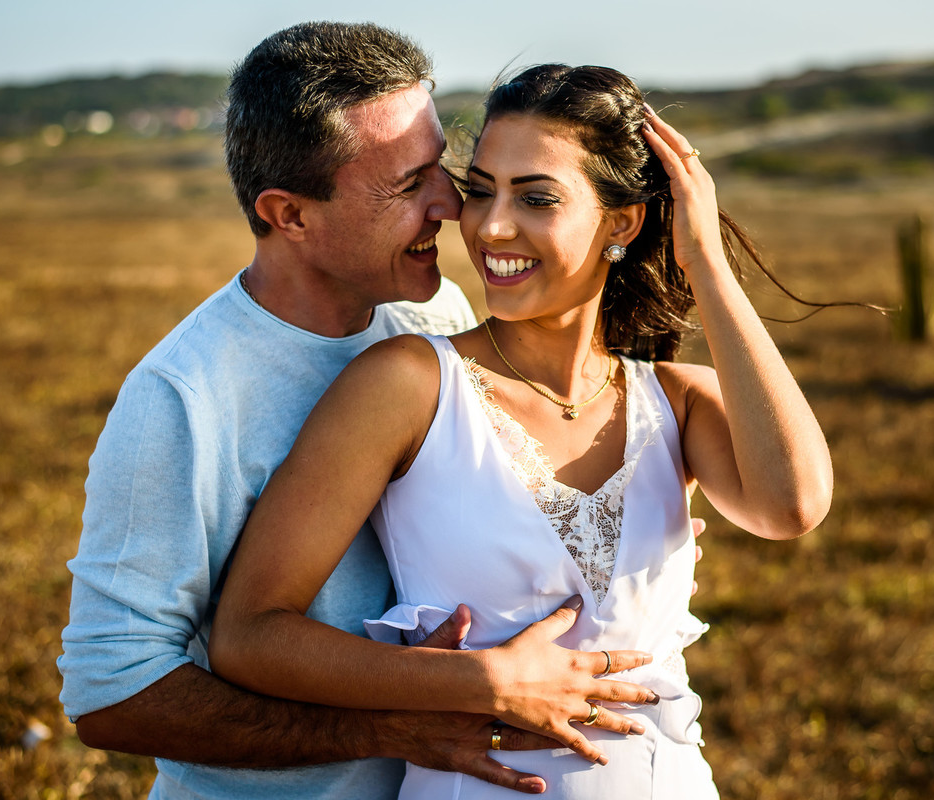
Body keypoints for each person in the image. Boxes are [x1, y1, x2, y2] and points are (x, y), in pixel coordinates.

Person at [59, 25, 664, 800]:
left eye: (442, 167)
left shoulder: (437, 317)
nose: (451, 204)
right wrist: (392, 725)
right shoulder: (184, 399)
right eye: (408, 186)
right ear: (291, 214)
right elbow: (112, 696)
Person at [208, 63, 834, 798]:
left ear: (622, 222)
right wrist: (473, 680)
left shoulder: (676, 402)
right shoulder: (408, 385)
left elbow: (791, 505)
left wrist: (706, 266)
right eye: (480, 192)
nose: (490, 226)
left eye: (536, 197)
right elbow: (249, 633)